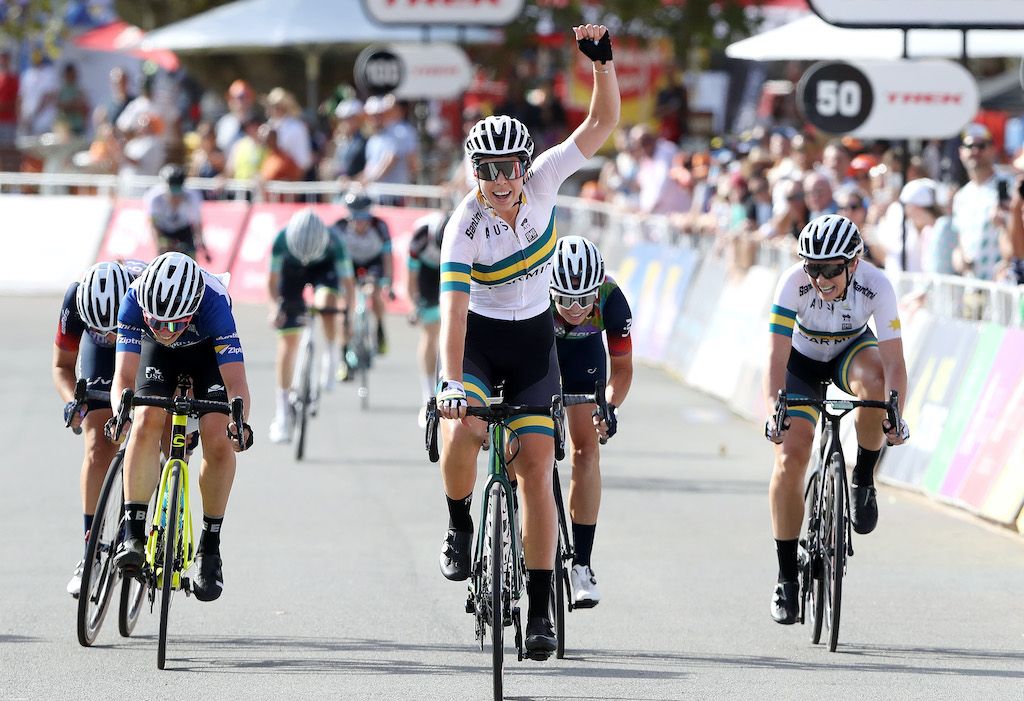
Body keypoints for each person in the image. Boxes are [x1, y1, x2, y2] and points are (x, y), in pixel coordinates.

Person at [435, 23, 619, 659]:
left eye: (508, 168)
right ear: (476, 171)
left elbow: (599, 126)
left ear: (523, 164)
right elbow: (452, 311)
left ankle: (540, 607)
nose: (501, 180)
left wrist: (600, 64)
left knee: (537, 469)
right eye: (487, 170)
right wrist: (451, 382)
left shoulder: (544, 181)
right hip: (481, 341)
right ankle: (460, 527)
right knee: (461, 432)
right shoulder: (464, 227)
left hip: (536, 341)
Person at [763, 214, 910, 625]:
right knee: (790, 458)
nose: (821, 279)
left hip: (852, 353)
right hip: (800, 363)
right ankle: (787, 577)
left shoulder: (877, 285)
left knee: (878, 386)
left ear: (854, 263)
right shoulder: (794, 282)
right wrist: (774, 409)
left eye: (831, 269)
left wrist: (896, 414)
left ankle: (863, 477)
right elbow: (775, 357)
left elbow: (896, 363)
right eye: (813, 267)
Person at [111, 252, 253, 603]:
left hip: (206, 354)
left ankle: (210, 547)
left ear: (191, 311)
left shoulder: (215, 302)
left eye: (173, 325)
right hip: (156, 358)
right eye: (155, 321)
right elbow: (124, 378)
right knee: (144, 418)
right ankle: (133, 532)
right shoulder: (134, 299)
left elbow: (236, 384)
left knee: (218, 437)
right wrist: (120, 412)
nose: (163, 331)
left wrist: (240, 424)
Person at [548, 236, 632, 608]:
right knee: (525, 450)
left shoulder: (611, 298)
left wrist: (608, 406)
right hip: (541, 354)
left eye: (584, 299)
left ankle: (581, 564)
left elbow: (624, 369)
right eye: (565, 300)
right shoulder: (533, 289)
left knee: (586, 450)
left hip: (585, 357)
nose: (576, 308)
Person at [53, 261, 141, 596]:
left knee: (152, 423)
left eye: (111, 330)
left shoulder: (143, 295)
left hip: (145, 339)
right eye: (99, 330)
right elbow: (62, 366)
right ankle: (90, 551)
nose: (107, 336)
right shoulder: (76, 300)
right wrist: (72, 401)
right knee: (97, 442)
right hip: (101, 362)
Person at [267, 209, 355, 443]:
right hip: (291, 270)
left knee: (327, 303)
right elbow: (273, 283)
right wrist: (275, 308)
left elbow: (348, 285)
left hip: (323, 269)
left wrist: (348, 318)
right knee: (287, 341)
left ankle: (330, 352)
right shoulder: (281, 240)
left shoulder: (335, 243)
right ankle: (282, 411)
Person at [333, 191, 393, 356]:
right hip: (349, 263)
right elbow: (332, 259)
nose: (359, 223)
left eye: (363, 218)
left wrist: (388, 281)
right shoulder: (339, 227)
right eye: (355, 218)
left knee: (374, 291)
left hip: (373, 262)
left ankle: (379, 327)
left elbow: (388, 256)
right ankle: (344, 353)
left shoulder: (380, 226)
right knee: (344, 306)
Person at [407, 210, 448, 428]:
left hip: (450, 270)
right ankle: (427, 395)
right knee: (431, 331)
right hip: (426, 275)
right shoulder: (421, 237)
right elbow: (411, 278)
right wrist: (415, 305)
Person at [144, 164, 208, 259]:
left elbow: (197, 222)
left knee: (191, 257)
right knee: (163, 258)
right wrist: (158, 244)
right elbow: (152, 223)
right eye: (172, 192)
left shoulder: (192, 196)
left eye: (178, 192)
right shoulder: (154, 197)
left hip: (184, 229)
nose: (175, 198)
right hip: (163, 229)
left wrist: (201, 242)